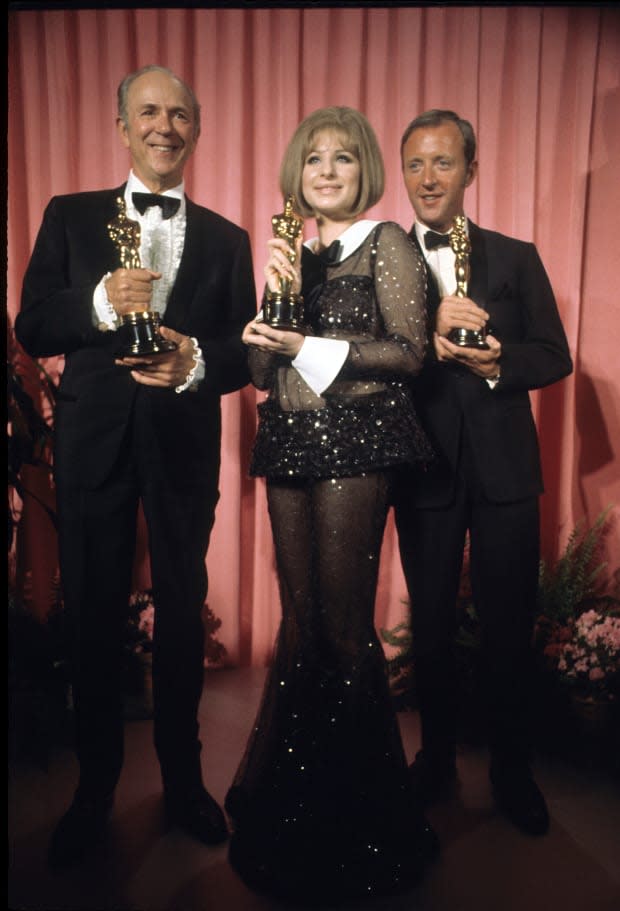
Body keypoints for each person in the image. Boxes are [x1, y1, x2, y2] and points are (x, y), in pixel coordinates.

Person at [15, 65, 256, 868]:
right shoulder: (70, 216)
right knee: (90, 615)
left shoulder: (228, 239)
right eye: (149, 111)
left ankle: (185, 783)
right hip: (92, 445)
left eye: (179, 113)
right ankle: (94, 790)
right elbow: (32, 323)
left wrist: (193, 362)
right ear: (122, 126)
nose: (165, 125)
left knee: (184, 613)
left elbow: (240, 356)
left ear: (196, 128)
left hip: (183, 446)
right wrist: (96, 303)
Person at [224, 106, 437, 903]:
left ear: (364, 171)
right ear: (297, 173)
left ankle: (364, 822)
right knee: (305, 625)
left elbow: (409, 354)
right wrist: (278, 290)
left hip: (359, 443)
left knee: (347, 632)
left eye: (342, 159)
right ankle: (295, 811)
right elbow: (254, 366)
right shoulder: (295, 254)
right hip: (288, 443)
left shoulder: (387, 244)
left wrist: (305, 347)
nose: (326, 170)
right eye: (314, 159)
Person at [394, 109, 573, 836]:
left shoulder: (517, 255)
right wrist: (425, 344)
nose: (428, 178)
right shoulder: (384, 261)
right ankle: (434, 758)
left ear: (472, 170)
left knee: (507, 627)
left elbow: (554, 353)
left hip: (506, 471)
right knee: (429, 627)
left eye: (442, 163)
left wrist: (501, 361)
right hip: (423, 467)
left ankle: (511, 768)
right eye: (415, 165)